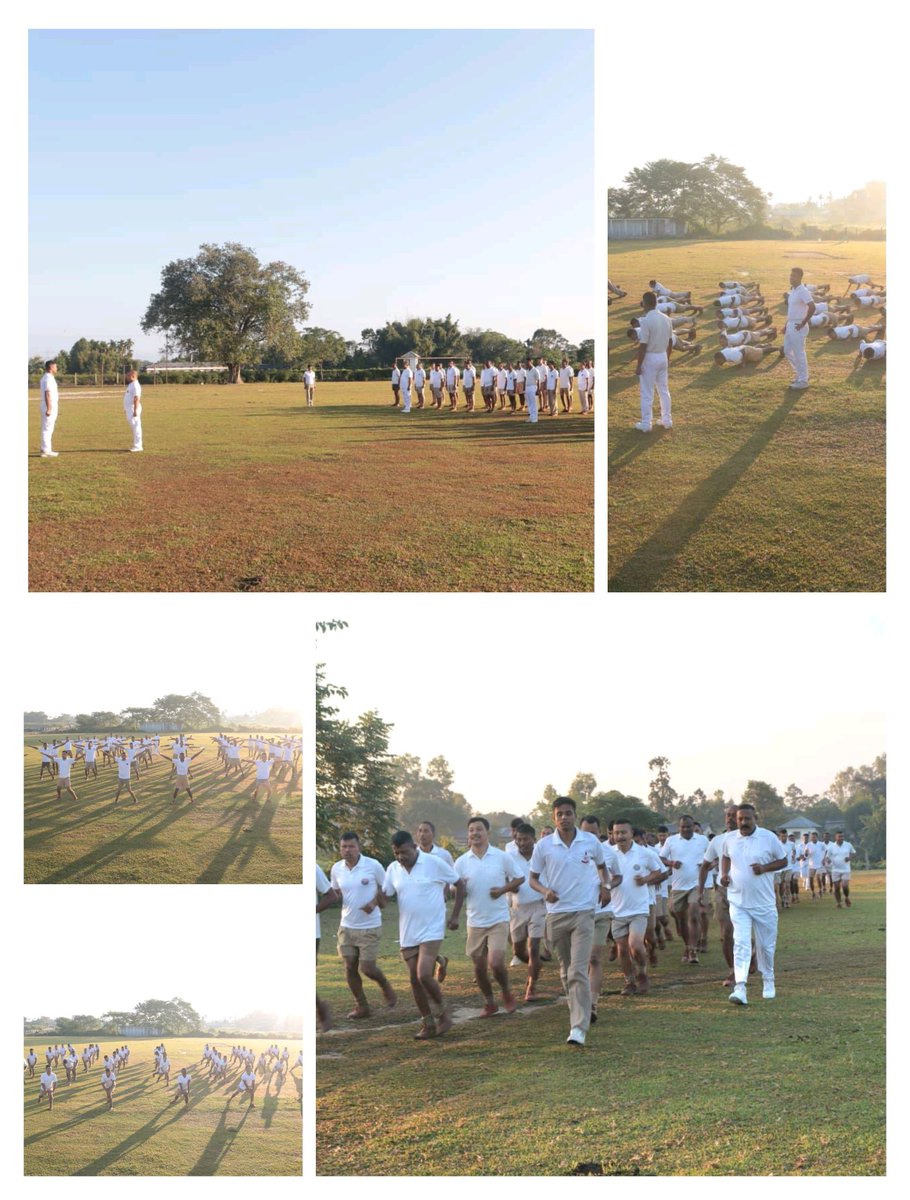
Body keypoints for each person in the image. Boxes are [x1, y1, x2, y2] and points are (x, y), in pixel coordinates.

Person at [529, 797, 614, 1047]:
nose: (564, 817)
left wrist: (605, 886)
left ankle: (578, 1027)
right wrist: (545, 892)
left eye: (568, 813)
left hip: (584, 912)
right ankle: (577, 1006)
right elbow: (532, 879)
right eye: (560, 814)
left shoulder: (590, 841)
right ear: (553, 817)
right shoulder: (544, 846)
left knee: (578, 969)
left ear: (575, 815)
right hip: (556, 914)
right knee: (566, 971)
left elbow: (602, 868)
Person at [382, 830, 457, 1040]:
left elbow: (459, 883)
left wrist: (455, 915)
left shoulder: (434, 863)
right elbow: (386, 895)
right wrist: (374, 901)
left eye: (404, 852)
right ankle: (428, 1023)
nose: (400, 857)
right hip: (408, 931)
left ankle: (444, 1014)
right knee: (414, 980)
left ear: (414, 847)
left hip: (432, 927)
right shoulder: (393, 869)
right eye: (396, 853)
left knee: (423, 974)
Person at [449, 817, 522, 1016]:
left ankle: (507, 992)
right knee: (479, 969)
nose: (475, 833)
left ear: (487, 832)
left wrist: (502, 890)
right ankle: (489, 1002)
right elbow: (452, 889)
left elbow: (519, 878)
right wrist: (459, 888)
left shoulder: (501, 856)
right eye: (471, 830)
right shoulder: (462, 862)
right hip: (475, 921)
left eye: (479, 829)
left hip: (498, 919)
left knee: (496, 963)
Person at [720, 804, 787, 1005]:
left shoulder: (768, 837)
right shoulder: (729, 839)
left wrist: (765, 868)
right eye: (740, 819)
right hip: (738, 902)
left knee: (766, 946)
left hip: (764, 904)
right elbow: (724, 857)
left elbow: (783, 861)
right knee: (740, 943)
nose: (743, 823)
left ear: (755, 818)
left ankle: (768, 980)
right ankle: (740, 988)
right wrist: (724, 875)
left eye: (747, 819)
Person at [329, 831, 398, 1018]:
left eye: (351, 846)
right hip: (346, 926)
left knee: (367, 968)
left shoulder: (372, 865)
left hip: (369, 925)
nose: (347, 850)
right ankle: (362, 1006)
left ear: (359, 847)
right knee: (349, 966)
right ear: (340, 848)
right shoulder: (337, 869)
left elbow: (388, 889)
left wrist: (374, 903)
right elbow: (335, 892)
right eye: (344, 847)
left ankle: (384, 985)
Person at [609, 819, 667, 995]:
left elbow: (660, 872)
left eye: (623, 832)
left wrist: (646, 880)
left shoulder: (644, 853)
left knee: (635, 944)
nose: (620, 836)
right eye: (616, 833)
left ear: (631, 834)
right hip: (617, 909)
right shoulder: (608, 854)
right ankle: (629, 982)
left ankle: (642, 973)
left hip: (639, 909)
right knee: (622, 949)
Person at [660, 815, 709, 963]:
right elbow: (661, 858)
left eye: (688, 826)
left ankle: (693, 951)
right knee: (680, 919)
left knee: (694, 915)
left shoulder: (702, 840)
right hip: (678, 886)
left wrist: (707, 866)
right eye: (683, 827)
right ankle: (687, 946)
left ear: (693, 826)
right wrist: (671, 862)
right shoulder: (671, 841)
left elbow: (713, 858)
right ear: (678, 827)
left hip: (696, 884)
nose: (686, 829)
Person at [508, 822, 548, 1001]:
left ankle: (531, 986)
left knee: (534, 948)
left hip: (539, 905)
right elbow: (506, 878)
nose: (522, 842)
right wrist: (511, 888)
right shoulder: (509, 857)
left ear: (534, 839)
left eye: (525, 839)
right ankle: (536, 966)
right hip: (517, 908)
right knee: (518, 951)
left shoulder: (542, 855)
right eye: (518, 839)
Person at [633, 292, 673, 432]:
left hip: (650, 357)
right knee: (663, 390)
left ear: (645, 303)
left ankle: (646, 424)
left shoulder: (646, 321)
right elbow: (670, 341)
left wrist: (639, 365)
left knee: (647, 393)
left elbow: (643, 345)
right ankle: (667, 420)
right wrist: (667, 358)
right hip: (662, 355)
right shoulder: (667, 318)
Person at [783, 267, 816, 389]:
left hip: (798, 326)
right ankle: (802, 374)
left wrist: (803, 323)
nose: (791, 278)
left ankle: (803, 381)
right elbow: (792, 310)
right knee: (787, 351)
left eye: (794, 276)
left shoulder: (803, 291)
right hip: (791, 324)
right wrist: (786, 325)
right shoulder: (793, 290)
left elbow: (812, 307)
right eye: (791, 275)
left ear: (800, 278)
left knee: (799, 353)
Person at [827, 831, 856, 907]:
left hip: (846, 869)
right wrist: (828, 860)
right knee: (836, 887)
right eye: (839, 836)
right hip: (835, 869)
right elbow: (827, 857)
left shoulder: (848, 845)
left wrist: (849, 858)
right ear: (835, 837)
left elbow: (853, 853)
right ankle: (838, 902)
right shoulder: (831, 847)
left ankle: (846, 897)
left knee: (845, 886)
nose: (841, 838)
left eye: (842, 836)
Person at [39, 359, 59, 457]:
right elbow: (47, 394)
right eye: (55, 366)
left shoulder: (48, 377)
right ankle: (46, 450)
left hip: (49, 404)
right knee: (47, 428)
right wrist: (49, 408)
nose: (57, 368)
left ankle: (45, 449)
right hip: (49, 404)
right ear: (51, 367)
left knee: (48, 428)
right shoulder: (48, 378)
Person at [123, 369, 143, 451]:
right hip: (129, 409)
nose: (126, 377)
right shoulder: (131, 384)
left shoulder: (135, 385)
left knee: (136, 427)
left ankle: (138, 446)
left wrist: (135, 410)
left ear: (133, 376)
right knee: (134, 427)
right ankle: (136, 445)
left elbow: (136, 398)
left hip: (133, 409)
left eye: (128, 376)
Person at [524, 358, 539, 423]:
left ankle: (535, 418)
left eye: (528, 362)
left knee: (533, 403)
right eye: (526, 362)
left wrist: (538, 389)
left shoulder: (535, 370)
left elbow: (538, 380)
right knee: (529, 403)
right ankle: (531, 417)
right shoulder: (527, 370)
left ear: (531, 362)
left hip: (533, 387)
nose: (527, 364)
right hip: (527, 387)